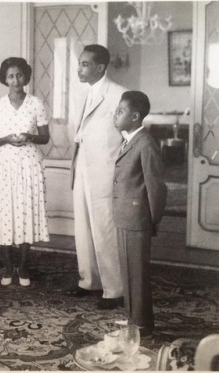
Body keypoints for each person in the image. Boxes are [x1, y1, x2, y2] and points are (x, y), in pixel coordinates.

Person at [66, 44, 127, 309]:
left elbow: (129, 139)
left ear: (100, 67)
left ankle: (114, 289)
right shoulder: (83, 94)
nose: (79, 68)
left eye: (85, 64)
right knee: (83, 228)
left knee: (105, 230)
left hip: (104, 171)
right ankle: (89, 281)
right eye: (79, 63)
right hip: (82, 168)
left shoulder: (119, 95)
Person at [0, 57, 50, 287]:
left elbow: (45, 137)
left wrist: (29, 136)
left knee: (26, 212)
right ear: (4, 78)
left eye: (19, 75)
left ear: (26, 77)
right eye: (10, 76)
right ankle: (7, 267)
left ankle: (22, 267)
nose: (15, 80)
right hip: (4, 166)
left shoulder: (36, 103)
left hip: (29, 164)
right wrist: (6, 139)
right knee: (5, 214)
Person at [112, 91, 167, 336]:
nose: (115, 114)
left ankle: (142, 324)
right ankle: (132, 317)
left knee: (138, 273)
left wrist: (152, 219)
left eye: (120, 111)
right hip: (125, 216)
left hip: (137, 218)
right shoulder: (129, 140)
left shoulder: (145, 143)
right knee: (127, 270)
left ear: (135, 116)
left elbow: (156, 187)